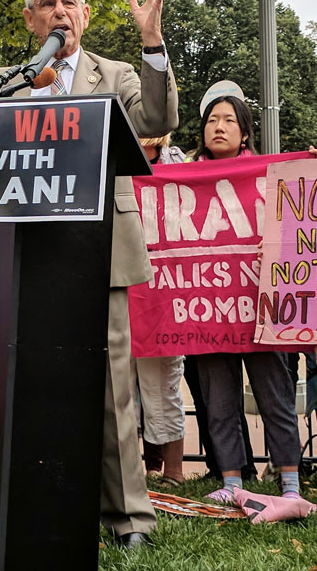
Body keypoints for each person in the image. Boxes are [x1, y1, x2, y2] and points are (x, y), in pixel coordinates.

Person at [0, 0, 178, 547]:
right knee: (13, 390)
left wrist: (153, 41)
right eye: (47, 4)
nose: (60, 12)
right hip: (12, 259)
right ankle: (21, 502)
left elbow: (158, 118)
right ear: (31, 18)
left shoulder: (116, 75)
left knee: (111, 392)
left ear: (84, 13)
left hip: (96, 254)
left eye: (69, 3)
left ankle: (128, 519)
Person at [192, 94, 316, 511]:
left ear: (245, 132)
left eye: (229, 120)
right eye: (212, 120)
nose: (219, 127)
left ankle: (289, 483)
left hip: (263, 306)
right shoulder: (182, 180)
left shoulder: (275, 176)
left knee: (275, 398)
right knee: (220, 400)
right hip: (209, 309)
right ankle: (231, 480)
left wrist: (314, 166)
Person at [132, 135, 187, 485]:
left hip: (163, 295)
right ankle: (125, 470)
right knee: (115, 388)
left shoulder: (180, 165)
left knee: (162, 385)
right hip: (121, 286)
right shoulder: (109, 159)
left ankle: (175, 472)